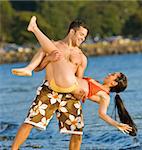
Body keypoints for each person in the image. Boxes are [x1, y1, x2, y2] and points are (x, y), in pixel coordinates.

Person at [12, 16, 89, 150]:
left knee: (77, 131)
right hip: (49, 91)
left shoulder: (81, 57)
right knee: (30, 121)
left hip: (69, 94)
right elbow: (37, 68)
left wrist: (81, 92)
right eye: (81, 35)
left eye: (85, 37)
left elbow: (78, 79)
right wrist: (48, 59)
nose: (83, 39)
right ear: (72, 32)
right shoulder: (51, 45)